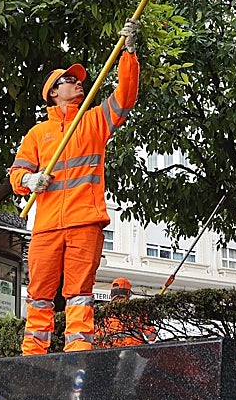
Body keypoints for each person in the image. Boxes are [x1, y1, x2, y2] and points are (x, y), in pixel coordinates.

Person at [9, 18, 140, 354]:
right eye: (70, 81)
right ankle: (33, 354)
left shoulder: (94, 120)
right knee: (39, 292)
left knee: (79, 291)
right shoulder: (38, 134)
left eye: (79, 80)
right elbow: (17, 174)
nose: (78, 84)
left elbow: (125, 98)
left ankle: (78, 349)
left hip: (85, 221)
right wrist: (29, 180)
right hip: (47, 227)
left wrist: (128, 53)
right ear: (53, 92)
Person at [98, 277, 158, 348]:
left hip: (111, 354)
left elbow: (97, 339)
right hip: (134, 351)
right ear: (128, 293)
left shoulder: (103, 312)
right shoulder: (137, 310)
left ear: (112, 294)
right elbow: (152, 336)